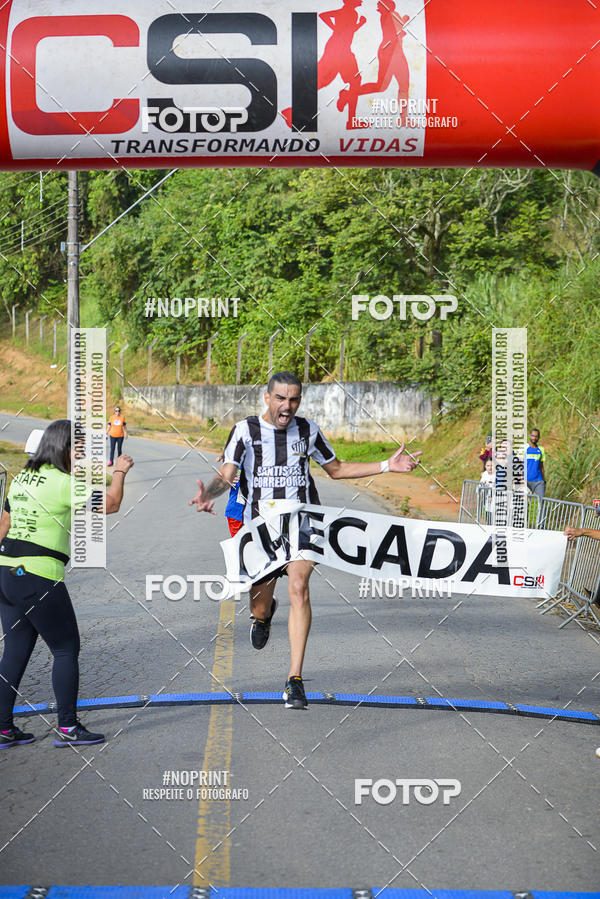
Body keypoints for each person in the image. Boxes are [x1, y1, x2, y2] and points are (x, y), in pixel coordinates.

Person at [189, 371, 421, 711]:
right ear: (267, 398)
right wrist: (208, 494)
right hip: (261, 529)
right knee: (259, 601)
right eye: (281, 398)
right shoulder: (245, 430)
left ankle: (294, 680)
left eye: (294, 399)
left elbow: (337, 469)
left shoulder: (308, 430)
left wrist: (387, 464)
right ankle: (264, 615)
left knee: (299, 585)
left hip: (302, 524)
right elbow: (228, 474)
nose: (287, 406)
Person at [0, 420, 134, 749]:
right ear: (67, 449)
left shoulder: (21, 480)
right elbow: (112, 503)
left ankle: (3, 728)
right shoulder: (62, 482)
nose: (83, 456)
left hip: (5, 574)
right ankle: (67, 727)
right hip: (38, 577)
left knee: (14, 651)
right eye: (80, 449)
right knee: (65, 648)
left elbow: (3, 522)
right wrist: (119, 471)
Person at [525, 428, 546, 526]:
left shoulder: (541, 449)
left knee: (542, 503)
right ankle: (522, 524)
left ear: (538, 437)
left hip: (538, 481)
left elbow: (541, 466)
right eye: (532, 435)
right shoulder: (524, 448)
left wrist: (544, 480)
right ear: (530, 436)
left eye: (536, 436)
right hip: (526, 481)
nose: (534, 438)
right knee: (524, 503)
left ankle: (542, 525)